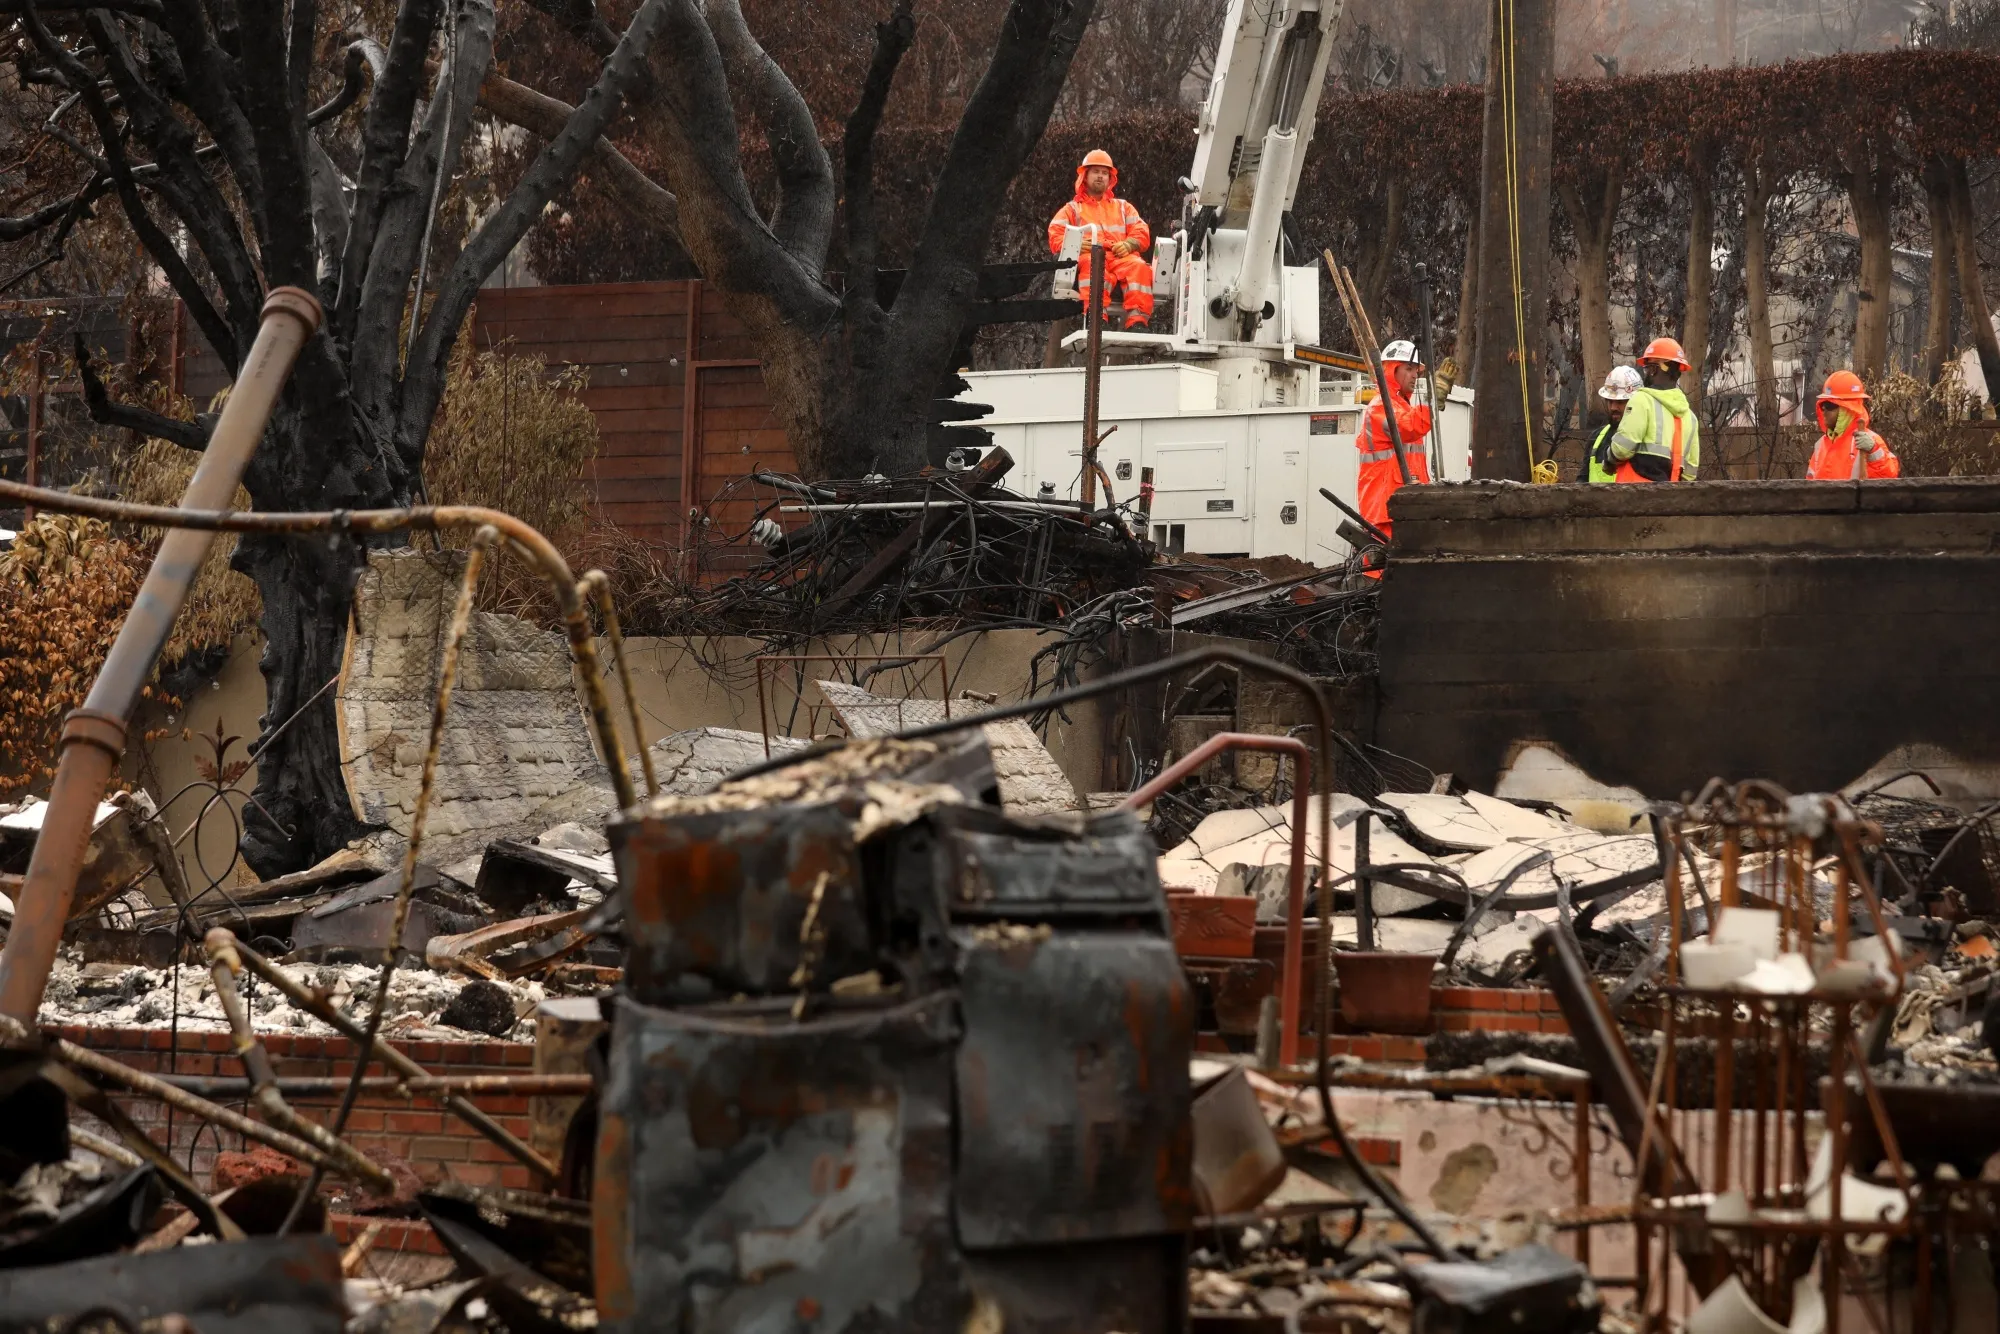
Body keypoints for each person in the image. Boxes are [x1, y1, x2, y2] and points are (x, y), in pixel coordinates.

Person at [1354, 340, 1453, 576]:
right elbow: (1408, 427)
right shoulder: (1380, 407)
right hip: (1384, 508)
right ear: (1392, 369)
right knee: (1381, 579)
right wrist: (1432, 401)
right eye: (1407, 368)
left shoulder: (1401, 407)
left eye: (1415, 370)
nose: (1414, 375)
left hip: (1401, 504)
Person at [1048, 149, 1153, 331]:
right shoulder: (1072, 209)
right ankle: (1096, 318)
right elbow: (1056, 235)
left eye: (1105, 173)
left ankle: (1137, 322)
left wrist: (1129, 244)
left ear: (1110, 179)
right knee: (1092, 266)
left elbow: (1141, 230)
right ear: (1085, 176)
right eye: (1096, 171)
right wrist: (1077, 246)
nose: (1100, 176)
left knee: (1139, 267)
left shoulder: (1123, 207)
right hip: (1091, 256)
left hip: (1121, 257)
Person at [1606, 337, 1702, 482]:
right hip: (1670, 500)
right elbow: (1690, 472)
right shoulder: (1690, 417)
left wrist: (1608, 460)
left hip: (1634, 497)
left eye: (1647, 368)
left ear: (1653, 369)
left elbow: (1622, 449)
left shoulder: (1642, 400)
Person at [1805, 371, 1901, 480]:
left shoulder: (1870, 441)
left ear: (1847, 410)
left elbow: (1889, 476)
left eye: (1829, 405)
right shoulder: (1821, 445)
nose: (1824, 411)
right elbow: (1810, 486)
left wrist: (1873, 450)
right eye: (1822, 405)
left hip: (1856, 497)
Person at [1586, 366, 1644, 483]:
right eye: (1610, 401)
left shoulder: (1645, 440)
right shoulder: (1596, 438)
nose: (1613, 407)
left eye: (1620, 402)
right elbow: (1581, 482)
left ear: (1636, 401)